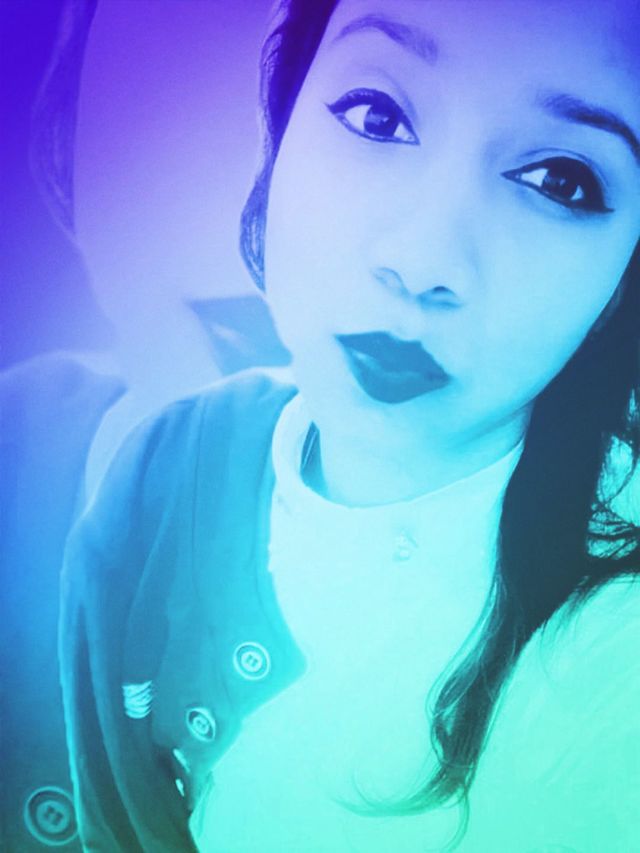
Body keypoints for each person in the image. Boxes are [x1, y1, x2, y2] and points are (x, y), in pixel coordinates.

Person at [59, 0, 640, 850]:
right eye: (377, 115)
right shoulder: (163, 468)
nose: (422, 260)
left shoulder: (610, 656)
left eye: (560, 180)